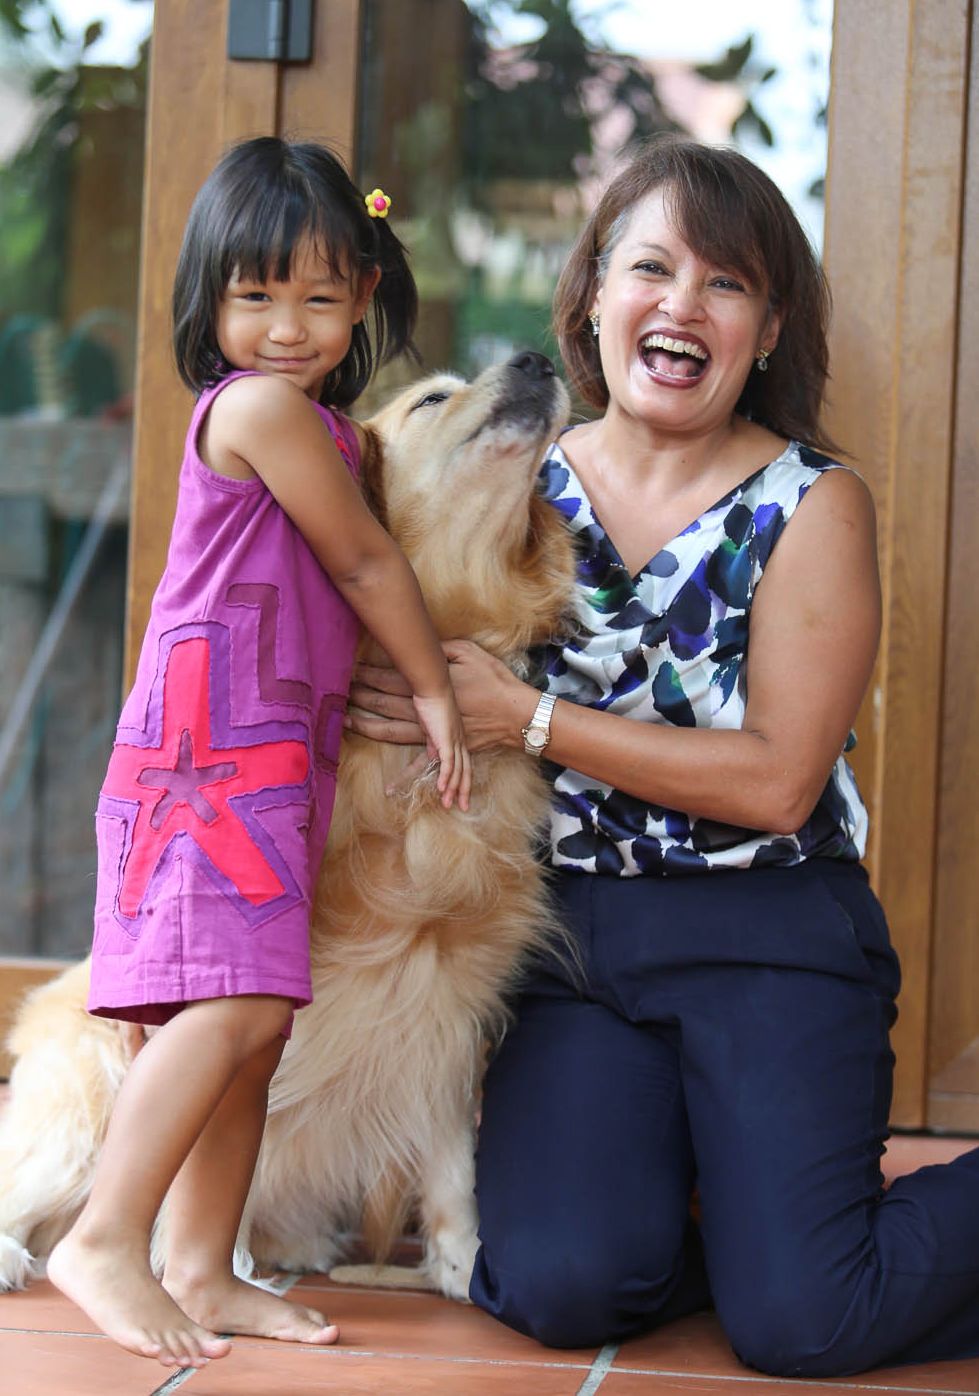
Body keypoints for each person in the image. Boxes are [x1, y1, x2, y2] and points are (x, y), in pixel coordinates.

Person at [346, 136, 979, 1378]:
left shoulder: (810, 502)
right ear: (590, 295)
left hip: (769, 934)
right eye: (651, 267)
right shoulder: (517, 475)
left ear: (768, 326)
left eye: (726, 283)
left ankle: (770, 1236)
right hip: (571, 942)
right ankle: (724, 1202)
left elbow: (778, 779)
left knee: (806, 1321)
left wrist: (523, 719)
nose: (683, 304)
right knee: (559, 1282)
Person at [48, 137, 471, 1370]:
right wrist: (440, 689)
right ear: (207, 300)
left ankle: (199, 1263)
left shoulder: (322, 428)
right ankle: (107, 1235)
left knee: (258, 1019)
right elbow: (362, 563)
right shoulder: (260, 409)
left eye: (320, 297)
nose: (287, 327)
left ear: (364, 300)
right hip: (207, 768)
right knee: (228, 1003)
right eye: (254, 295)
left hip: (259, 764)